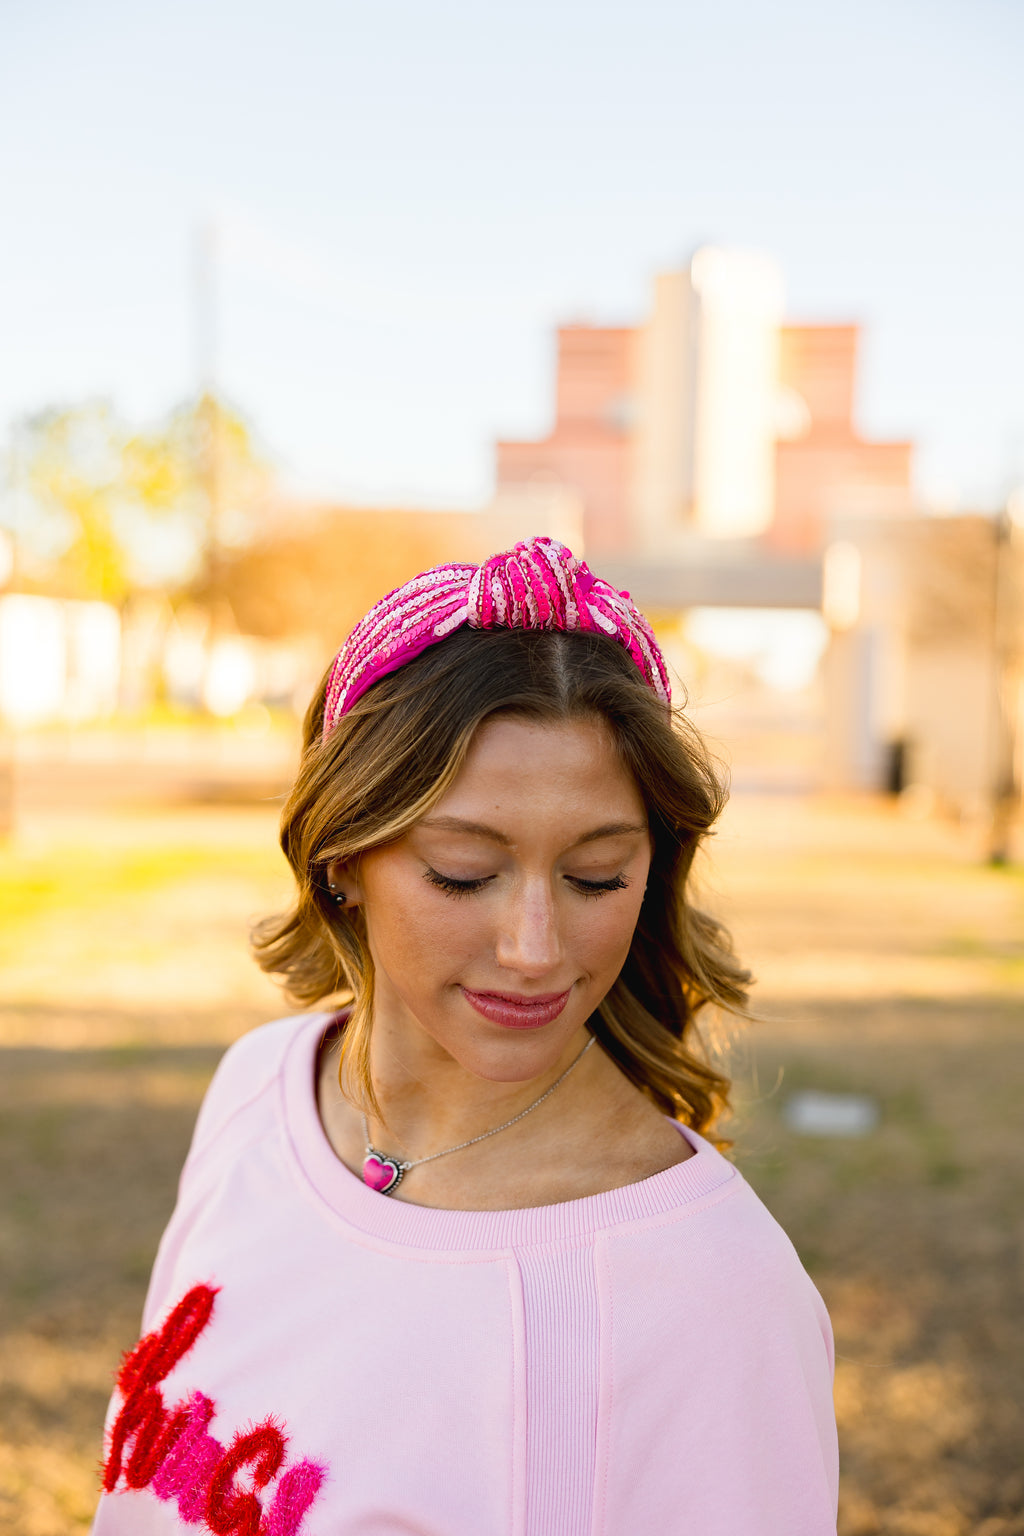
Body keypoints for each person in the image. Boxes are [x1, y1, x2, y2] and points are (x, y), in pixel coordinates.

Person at [92, 536, 839, 1536]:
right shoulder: (257, 1089)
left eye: (596, 876)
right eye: (461, 871)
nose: (534, 949)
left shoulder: (711, 1290)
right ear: (341, 855)